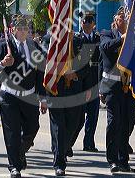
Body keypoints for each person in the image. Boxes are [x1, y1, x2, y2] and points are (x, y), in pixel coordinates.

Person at [0, 15, 47, 178]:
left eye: (26, 29)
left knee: (33, 127)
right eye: (20, 28)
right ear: (13, 30)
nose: (23, 31)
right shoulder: (4, 46)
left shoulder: (35, 47)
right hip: (9, 96)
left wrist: (42, 97)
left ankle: (20, 153)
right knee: (12, 133)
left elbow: (40, 73)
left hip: (29, 95)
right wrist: (3, 63)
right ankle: (14, 166)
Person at [99, 6, 135, 174]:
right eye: (122, 17)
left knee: (126, 123)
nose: (124, 20)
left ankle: (124, 160)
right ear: (115, 20)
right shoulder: (106, 34)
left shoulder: (134, 38)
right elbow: (105, 47)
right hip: (113, 87)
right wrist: (122, 39)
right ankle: (112, 160)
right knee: (114, 122)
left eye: (126, 18)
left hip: (128, 87)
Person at [41, 33, 86, 176]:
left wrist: (75, 73)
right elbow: (44, 65)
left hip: (74, 90)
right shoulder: (49, 40)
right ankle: (59, 162)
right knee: (59, 127)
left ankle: (63, 148)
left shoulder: (78, 40)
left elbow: (86, 64)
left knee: (75, 124)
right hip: (55, 89)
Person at [69, 11, 101, 153]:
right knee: (78, 116)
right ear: (81, 23)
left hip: (94, 79)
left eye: (90, 20)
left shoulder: (99, 38)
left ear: (94, 23)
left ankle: (89, 142)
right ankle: (68, 143)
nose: (87, 23)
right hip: (81, 81)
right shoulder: (76, 39)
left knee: (93, 115)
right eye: (84, 21)